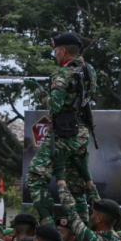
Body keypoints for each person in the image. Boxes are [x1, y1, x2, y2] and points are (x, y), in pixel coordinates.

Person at [26, 32, 99, 218]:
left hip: (63, 135)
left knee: (34, 178)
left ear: (64, 50)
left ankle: (46, 222)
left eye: (56, 50)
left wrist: (38, 91)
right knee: (76, 187)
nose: (55, 54)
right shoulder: (89, 70)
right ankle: (83, 228)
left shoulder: (63, 73)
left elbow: (54, 105)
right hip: (81, 134)